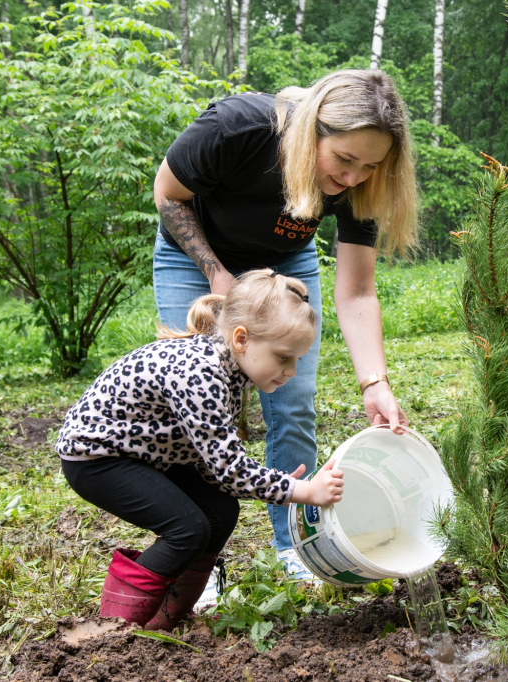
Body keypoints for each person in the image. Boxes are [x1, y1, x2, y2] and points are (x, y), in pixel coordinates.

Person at [152, 69, 415, 580]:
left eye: (370, 166)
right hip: (195, 257)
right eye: (343, 159)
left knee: (292, 403)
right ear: (312, 128)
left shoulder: (362, 182)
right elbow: (167, 194)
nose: (353, 178)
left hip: (285, 263)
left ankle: (294, 549)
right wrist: (217, 275)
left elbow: (357, 290)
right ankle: (195, 562)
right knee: (193, 407)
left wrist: (375, 383)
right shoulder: (236, 129)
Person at [56, 270, 345, 629]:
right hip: (99, 458)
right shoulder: (201, 372)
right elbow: (230, 469)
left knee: (220, 510)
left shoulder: (228, 367)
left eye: (297, 359)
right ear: (242, 339)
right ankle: (114, 631)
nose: (292, 370)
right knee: (187, 528)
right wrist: (300, 491)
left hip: (148, 452)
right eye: (284, 357)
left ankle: (167, 617)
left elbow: (214, 465)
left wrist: (278, 484)